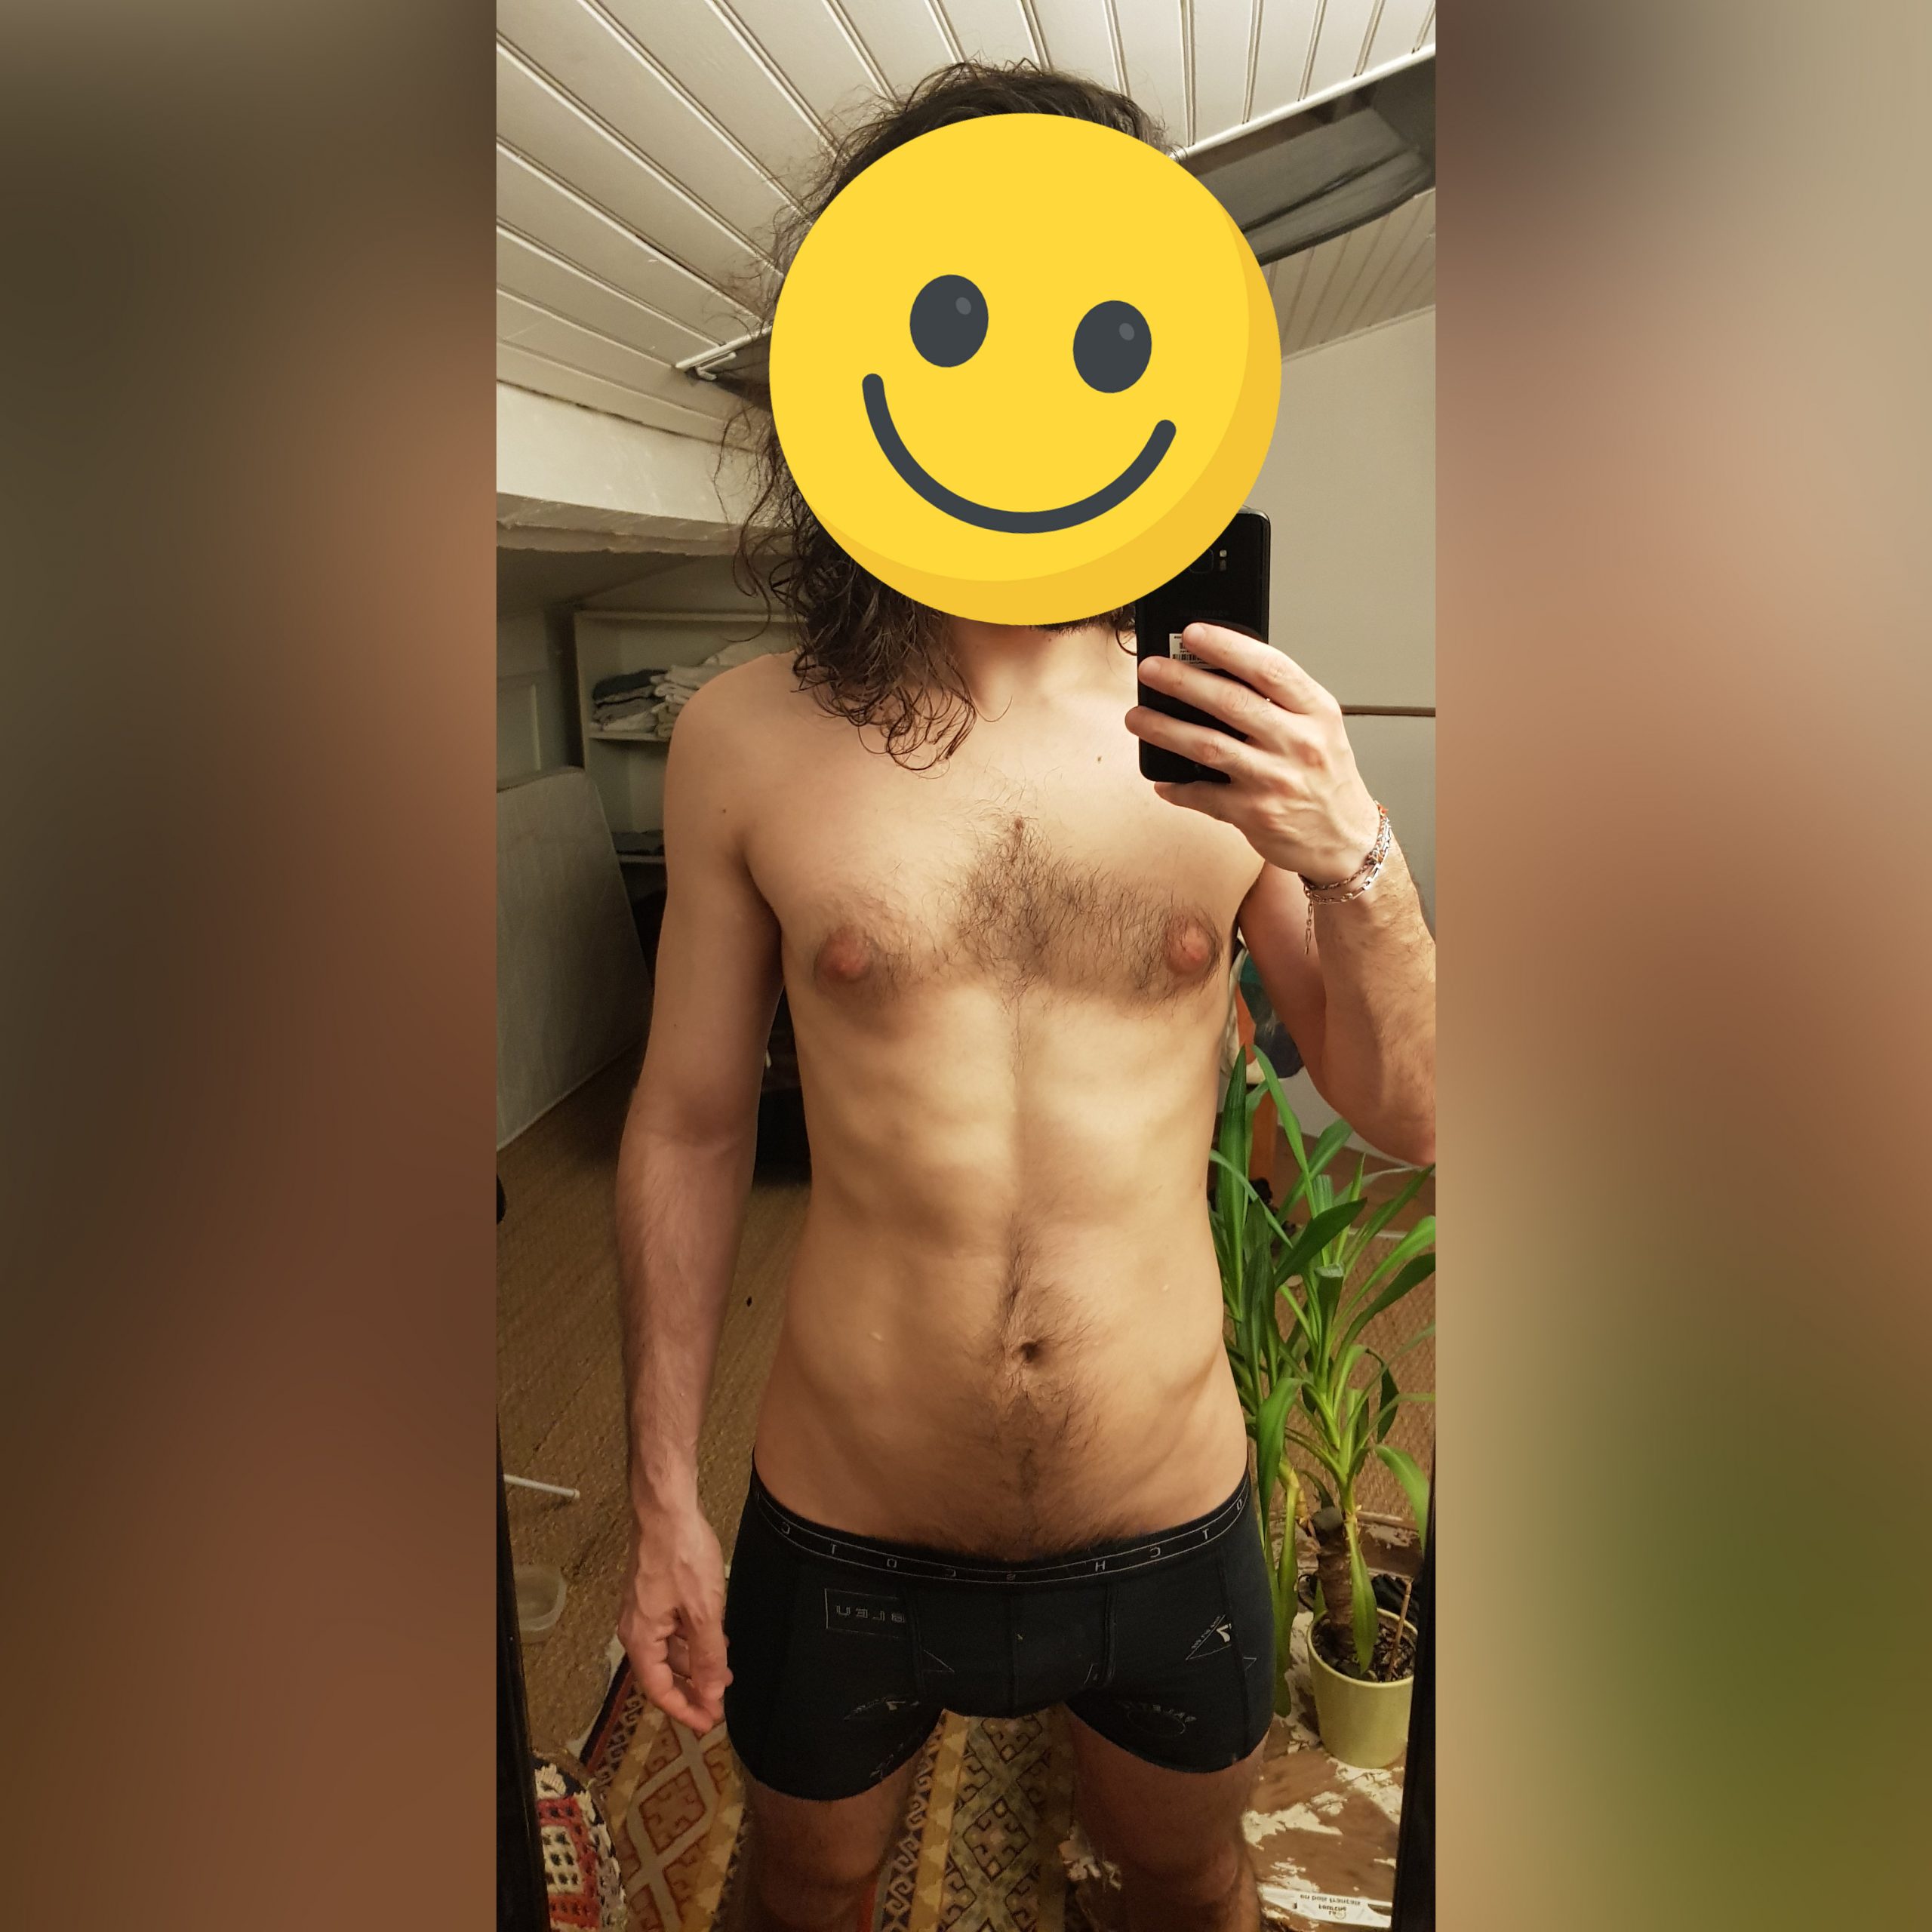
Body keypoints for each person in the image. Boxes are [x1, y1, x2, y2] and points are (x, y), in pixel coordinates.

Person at [614, 63, 1435, 1932]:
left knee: (1185, 1884)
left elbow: (1412, 1109)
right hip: (845, 1507)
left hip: (1164, 1506)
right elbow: (688, 1118)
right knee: (806, 1887)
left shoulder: (1225, 728)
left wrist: (1355, 852)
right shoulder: (744, 737)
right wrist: (659, 1490)